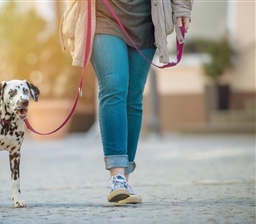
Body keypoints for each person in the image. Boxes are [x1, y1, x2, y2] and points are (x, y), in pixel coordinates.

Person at [60, 0, 192, 204]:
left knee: (133, 98)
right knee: (113, 86)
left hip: (146, 20)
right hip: (103, 16)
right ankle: (117, 177)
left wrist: (182, 7)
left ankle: (125, 181)